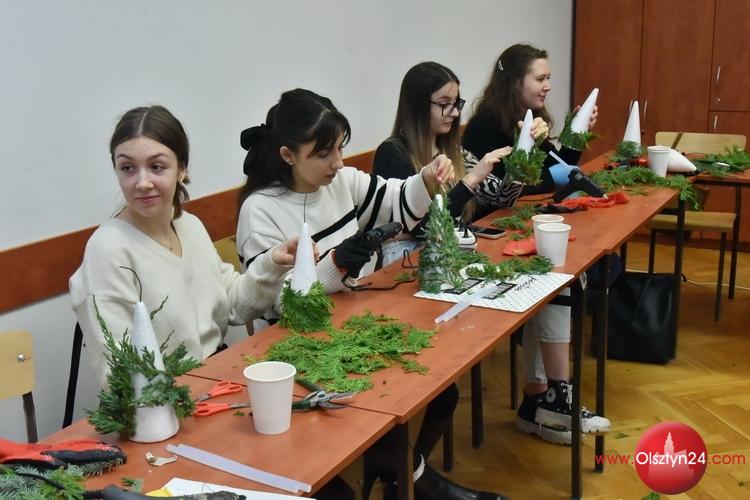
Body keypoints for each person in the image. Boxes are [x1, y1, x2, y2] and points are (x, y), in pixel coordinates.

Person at [236, 89, 505, 500]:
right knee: (379, 401)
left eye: (340, 148)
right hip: (298, 346)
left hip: (352, 323)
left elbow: (396, 198)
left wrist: (427, 178)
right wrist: (337, 264)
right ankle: (416, 480)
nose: (338, 162)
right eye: (324, 153)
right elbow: (282, 303)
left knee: (441, 389)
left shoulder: (341, 182)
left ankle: (403, 477)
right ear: (288, 155)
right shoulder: (260, 210)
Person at [69, 105, 298, 387]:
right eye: (128, 168)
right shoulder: (107, 250)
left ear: (181, 169)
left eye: (156, 167)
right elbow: (121, 374)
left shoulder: (189, 226)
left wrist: (272, 263)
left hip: (217, 378)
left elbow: (233, 305)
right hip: (165, 397)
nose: (142, 183)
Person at [462, 44, 610, 445]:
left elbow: (559, 171)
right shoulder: (485, 127)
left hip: (511, 228)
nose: (547, 86)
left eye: (548, 78)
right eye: (540, 78)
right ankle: (548, 397)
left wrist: (574, 134)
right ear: (515, 82)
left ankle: (541, 399)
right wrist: (536, 155)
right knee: (554, 280)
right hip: (484, 238)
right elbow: (514, 188)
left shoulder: (529, 118)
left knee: (559, 279)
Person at [373, 61, 512, 266]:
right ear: (418, 106)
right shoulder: (392, 154)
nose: (454, 113)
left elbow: (504, 198)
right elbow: (420, 228)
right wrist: (471, 180)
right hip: (407, 262)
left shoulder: (454, 150)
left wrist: (524, 154)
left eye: (455, 103)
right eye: (444, 104)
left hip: (448, 254)